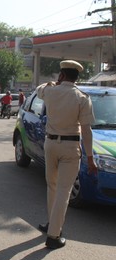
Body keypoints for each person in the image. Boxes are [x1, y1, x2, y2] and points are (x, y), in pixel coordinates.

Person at [37, 60, 97, 249]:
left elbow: (39, 89)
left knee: (52, 186)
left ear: (62, 75)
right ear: (77, 77)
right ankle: (54, 235)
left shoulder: (50, 91)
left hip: (50, 144)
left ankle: (51, 225)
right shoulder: (82, 97)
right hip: (70, 147)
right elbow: (87, 130)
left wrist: (53, 83)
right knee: (64, 190)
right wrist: (90, 158)